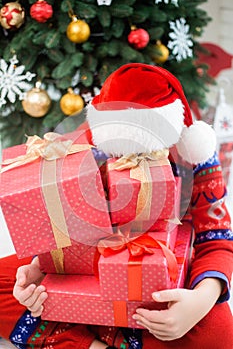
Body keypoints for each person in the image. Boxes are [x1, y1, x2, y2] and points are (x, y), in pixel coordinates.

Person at [1, 63, 233, 348]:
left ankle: (81, 318)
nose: (132, 166)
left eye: (146, 156)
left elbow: (217, 239)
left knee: (218, 333)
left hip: (164, 277)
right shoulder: (87, 148)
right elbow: (62, 225)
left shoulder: (196, 155)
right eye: (121, 156)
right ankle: (88, 332)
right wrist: (42, 266)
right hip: (88, 265)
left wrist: (200, 300)